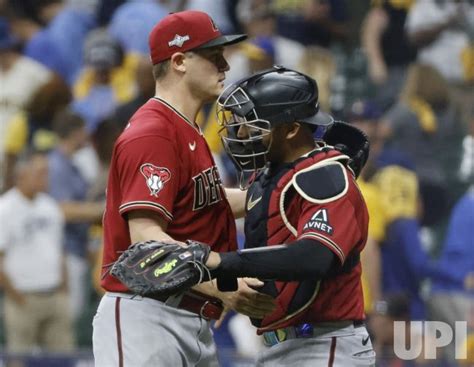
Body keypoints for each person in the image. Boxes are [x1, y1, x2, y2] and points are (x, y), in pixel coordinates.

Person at [92, 10, 276, 367]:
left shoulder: (184, 127)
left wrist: (275, 196)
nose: (225, 64)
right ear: (178, 61)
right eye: (212, 55)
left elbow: (205, 202)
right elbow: (145, 240)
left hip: (188, 315)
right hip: (147, 316)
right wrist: (219, 282)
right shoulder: (153, 131)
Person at [201, 66, 376, 366]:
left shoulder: (327, 176)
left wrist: (223, 264)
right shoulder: (274, 175)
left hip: (323, 345)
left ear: (292, 129)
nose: (241, 133)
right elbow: (230, 204)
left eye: (253, 124)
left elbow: (316, 256)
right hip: (281, 346)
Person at [0, 150, 74, 353]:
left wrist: (63, 290)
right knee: (20, 358)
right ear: (22, 174)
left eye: (46, 172)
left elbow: (60, 251)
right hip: (23, 298)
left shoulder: (50, 207)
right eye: (40, 172)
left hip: (54, 296)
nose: (46, 177)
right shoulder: (5, 208)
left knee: (63, 358)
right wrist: (15, 295)